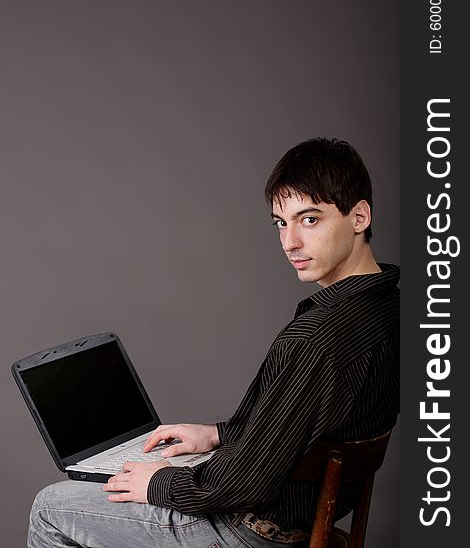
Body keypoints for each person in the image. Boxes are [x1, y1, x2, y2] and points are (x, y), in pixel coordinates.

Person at [28, 138, 399, 548]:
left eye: (309, 220)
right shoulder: (386, 308)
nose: (290, 242)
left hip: (255, 532)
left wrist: (159, 483)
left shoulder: (318, 338)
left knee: (50, 506)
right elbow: (306, 425)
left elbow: (245, 483)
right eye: (281, 222)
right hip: (312, 519)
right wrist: (220, 434)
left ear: (359, 216)